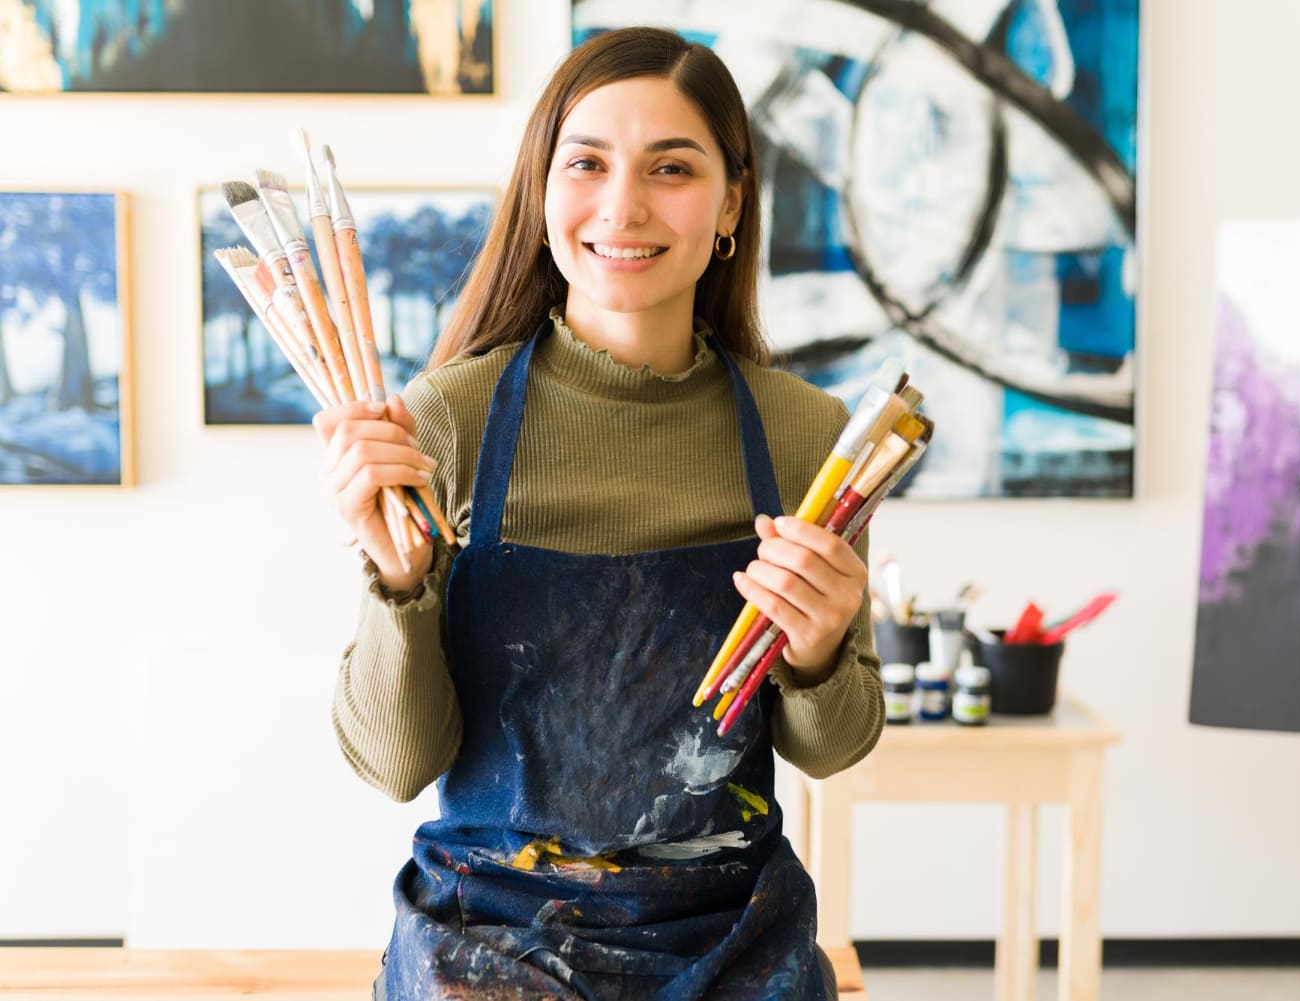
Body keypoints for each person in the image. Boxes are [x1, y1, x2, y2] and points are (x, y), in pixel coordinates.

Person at [314, 26, 884, 1001]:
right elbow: (395, 761)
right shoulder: (441, 420)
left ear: (732, 202)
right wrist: (400, 585)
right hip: (481, 943)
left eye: (672, 167)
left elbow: (831, 746)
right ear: (542, 191)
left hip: (734, 941)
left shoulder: (807, 436)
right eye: (587, 163)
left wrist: (823, 650)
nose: (624, 205)